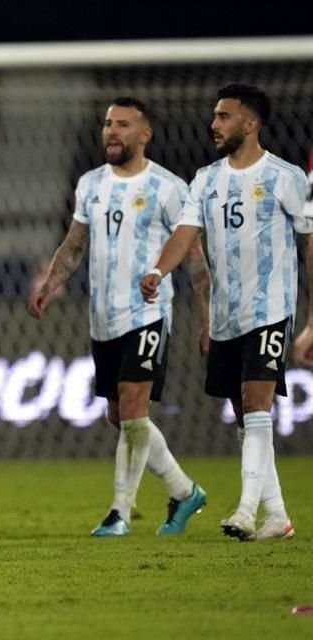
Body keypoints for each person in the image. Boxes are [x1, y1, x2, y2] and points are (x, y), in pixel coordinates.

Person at [28, 97, 210, 537]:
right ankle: (185, 491)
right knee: (120, 416)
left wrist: (208, 318)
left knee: (132, 407)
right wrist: (49, 285)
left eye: (123, 124)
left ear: (144, 135)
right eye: (108, 123)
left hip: (147, 313)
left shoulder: (168, 188)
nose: (111, 131)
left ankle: (119, 513)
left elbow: (194, 256)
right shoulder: (90, 184)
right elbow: (74, 245)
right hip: (103, 317)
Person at [141, 83, 311, 541]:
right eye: (215, 116)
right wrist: (159, 270)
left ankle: (245, 509)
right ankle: (278, 517)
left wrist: (311, 313)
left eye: (224, 116)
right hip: (227, 314)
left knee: (257, 404)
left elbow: (310, 239)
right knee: (244, 413)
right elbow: (185, 234)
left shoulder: (285, 177)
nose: (214, 124)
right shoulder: (205, 179)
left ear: (251, 123)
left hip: (271, 308)